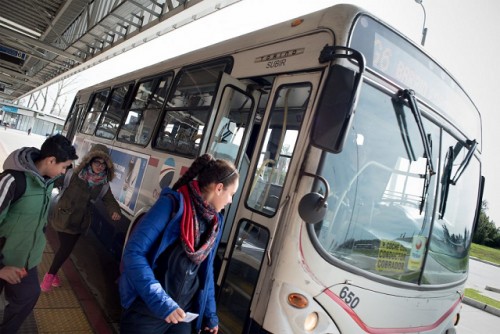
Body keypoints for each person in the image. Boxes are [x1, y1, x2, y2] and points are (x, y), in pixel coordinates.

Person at [119, 153, 239, 334]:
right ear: (219, 188)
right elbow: (134, 253)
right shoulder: (171, 205)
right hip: (149, 310)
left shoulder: (215, 223)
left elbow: (207, 272)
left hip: (183, 313)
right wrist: (162, 303)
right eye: (231, 194)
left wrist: (210, 314)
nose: (230, 200)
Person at [0, 134, 78, 333]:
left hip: (25, 263)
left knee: (29, 295)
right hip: (3, 259)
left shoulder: (47, 183)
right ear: (51, 160)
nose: (63, 172)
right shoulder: (12, 180)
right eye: (63, 167)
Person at [40, 144, 122, 292]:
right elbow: (52, 182)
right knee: (65, 249)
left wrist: (114, 211)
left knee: (64, 250)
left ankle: (53, 274)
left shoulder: (103, 185)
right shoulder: (72, 175)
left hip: (80, 223)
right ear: (89, 161)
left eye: (103, 164)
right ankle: (49, 276)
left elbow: (110, 201)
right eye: (97, 162)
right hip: (62, 217)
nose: (100, 167)